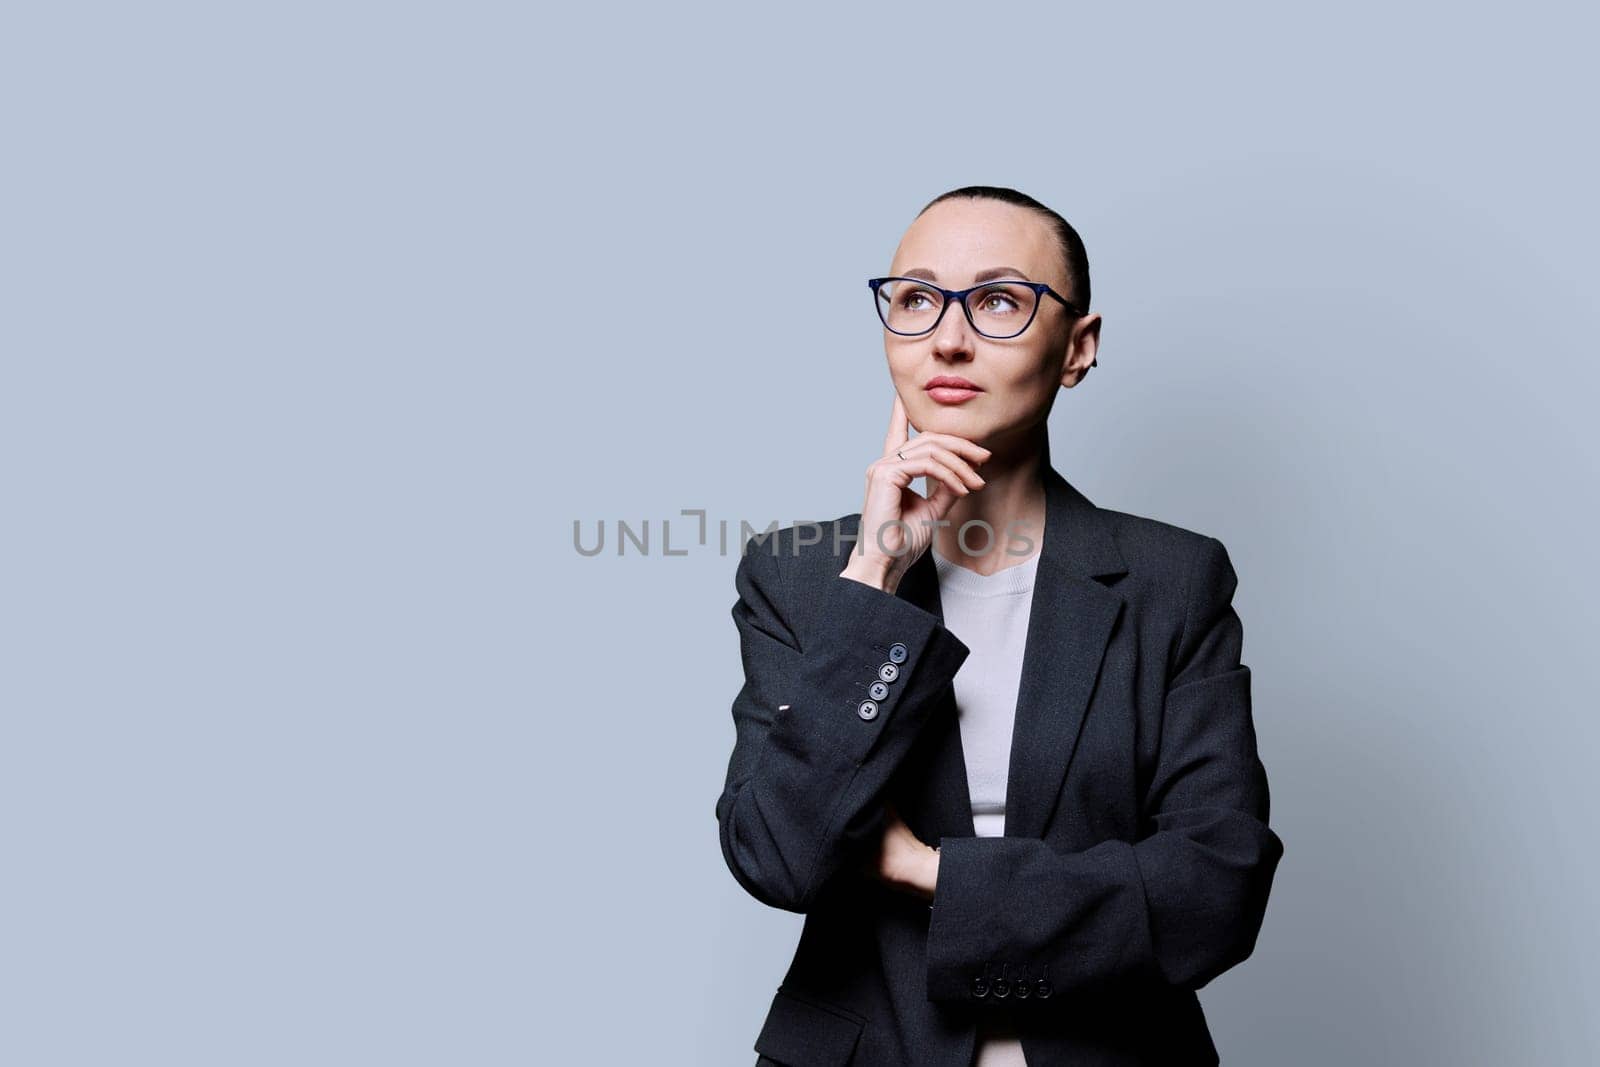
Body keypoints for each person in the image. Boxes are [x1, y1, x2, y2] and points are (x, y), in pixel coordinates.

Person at [717, 186, 1284, 1067]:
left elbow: (1216, 885)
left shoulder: (1174, 580)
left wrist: (924, 868)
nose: (948, 338)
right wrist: (874, 575)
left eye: (998, 300)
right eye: (915, 299)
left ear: (1078, 348)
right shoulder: (798, 575)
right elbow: (779, 856)